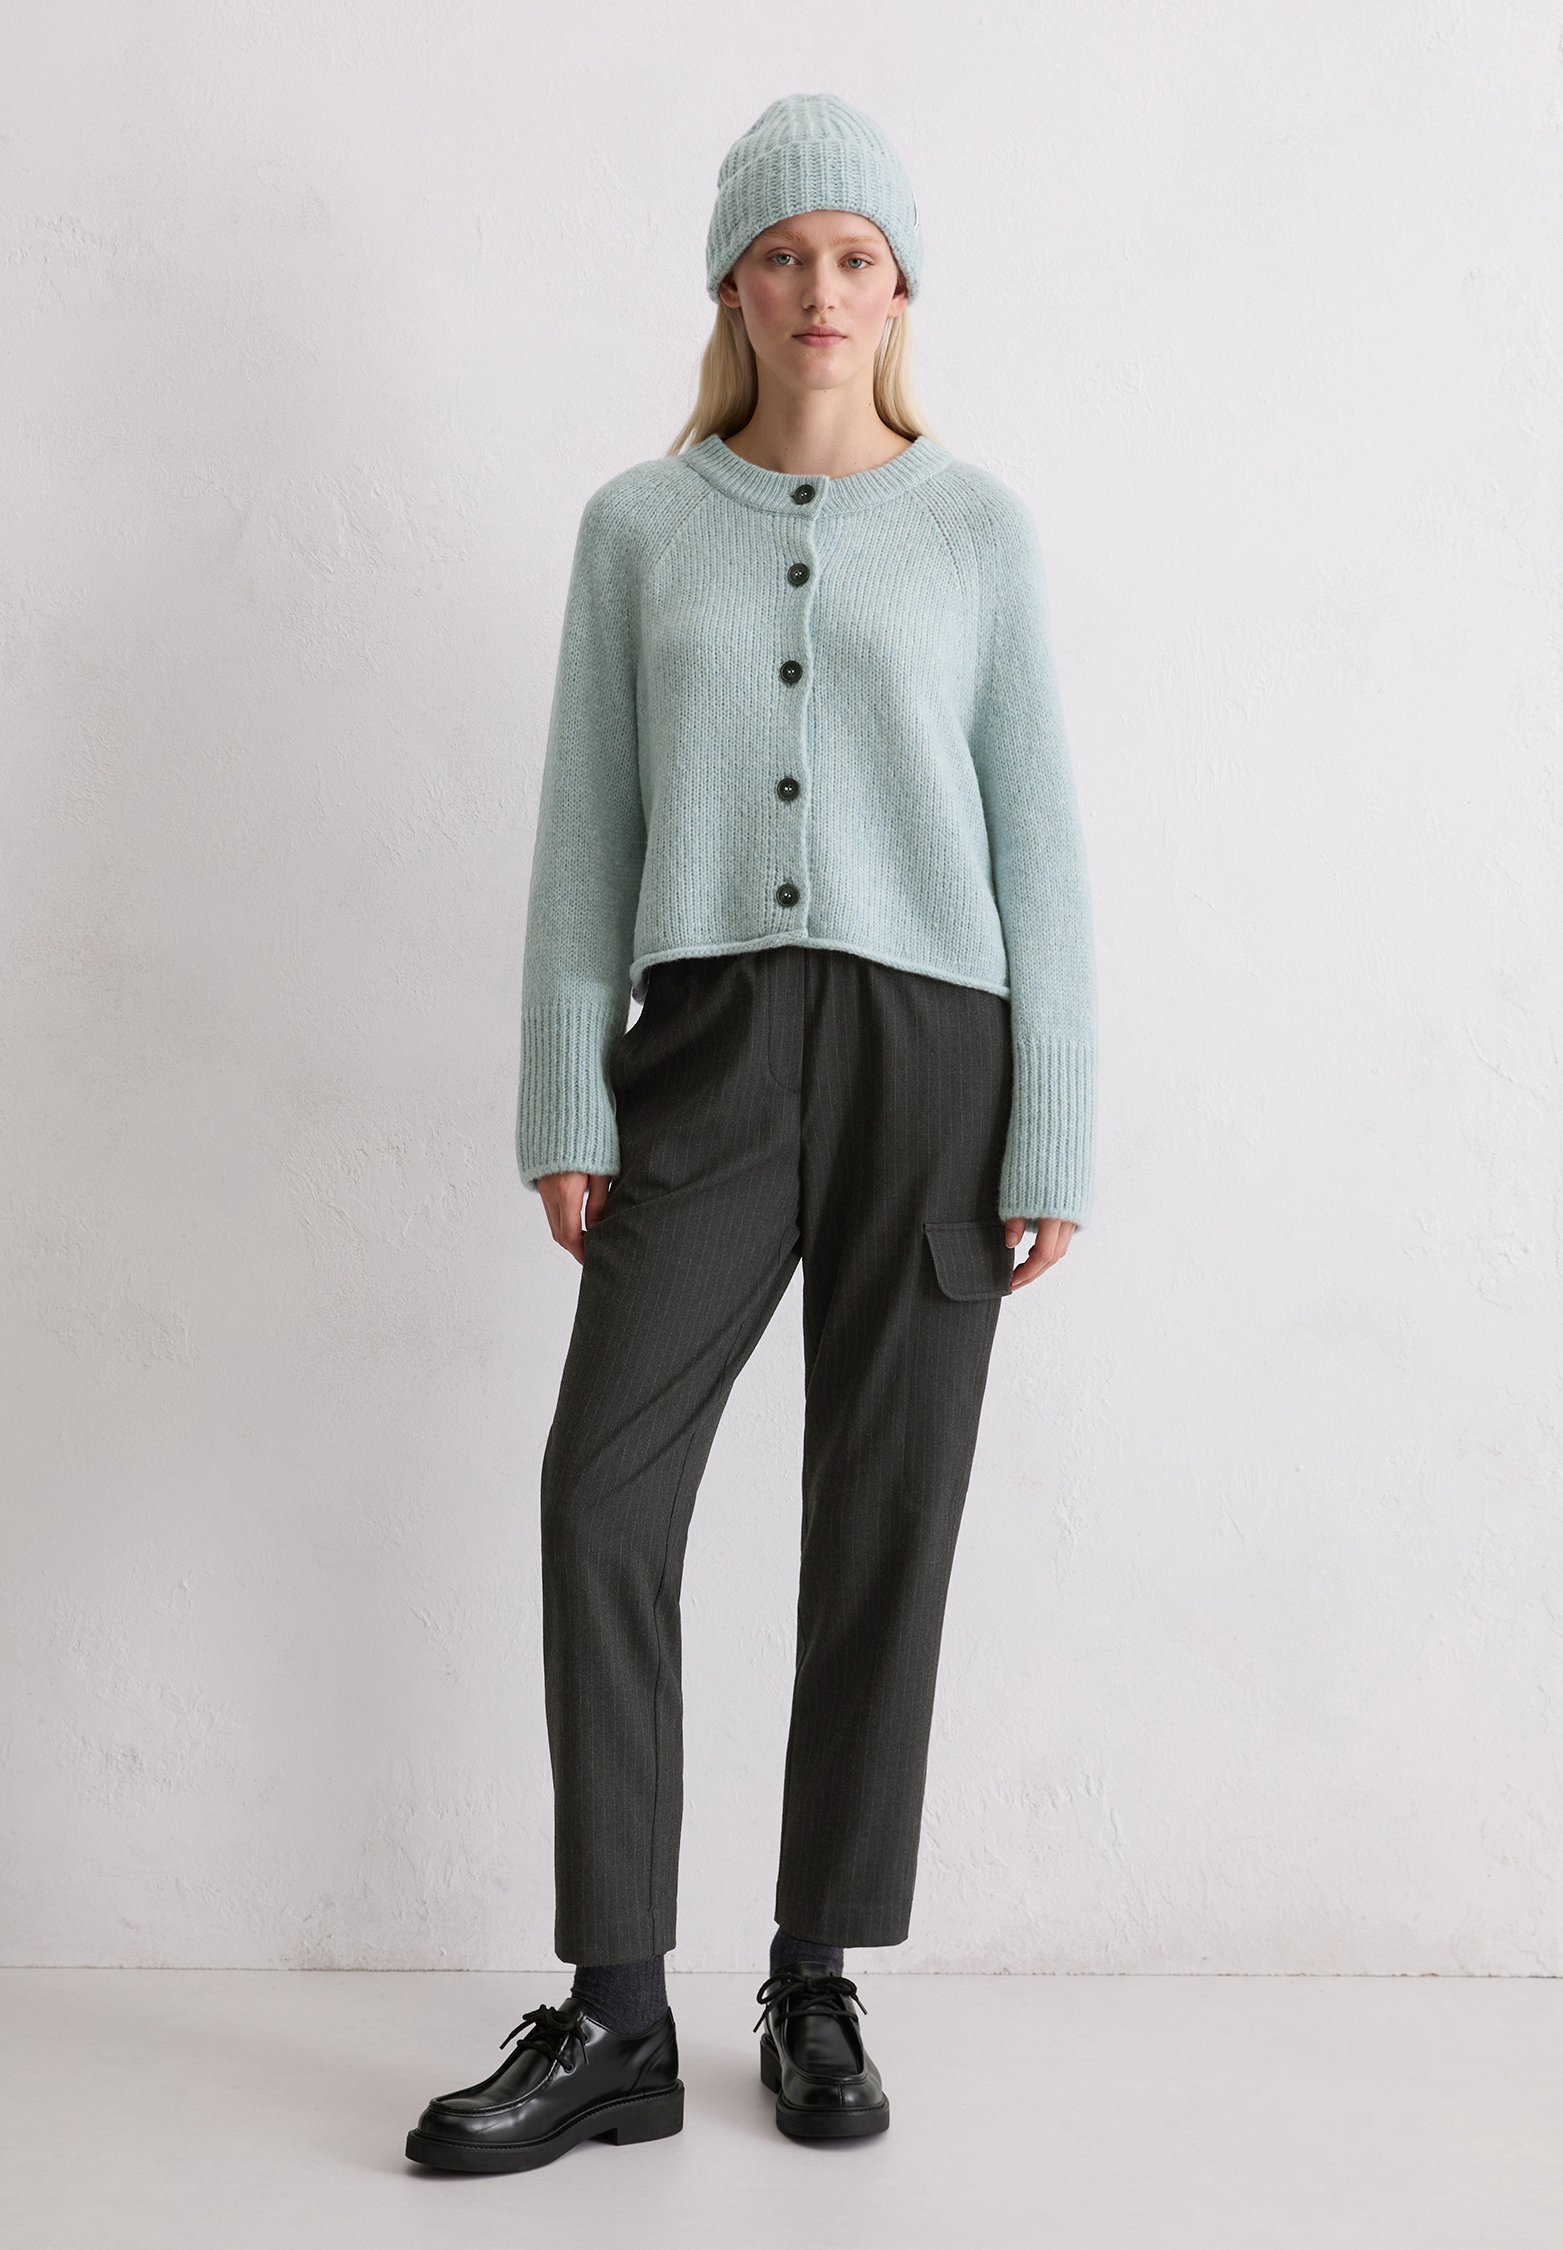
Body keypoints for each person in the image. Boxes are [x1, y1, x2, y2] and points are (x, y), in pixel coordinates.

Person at [404, 90, 1097, 2174]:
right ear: (731, 286)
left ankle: (812, 1975)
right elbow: (582, 834)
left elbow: (1042, 851)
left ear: (899, 289)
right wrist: (564, 1086)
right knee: (599, 1496)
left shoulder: (977, 532)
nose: (818, 289)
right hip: (700, 1049)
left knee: (884, 1513)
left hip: (934, 1053)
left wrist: (1052, 1126)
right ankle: (618, 2012)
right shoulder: (639, 527)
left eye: (853, 255)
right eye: (782, 254)